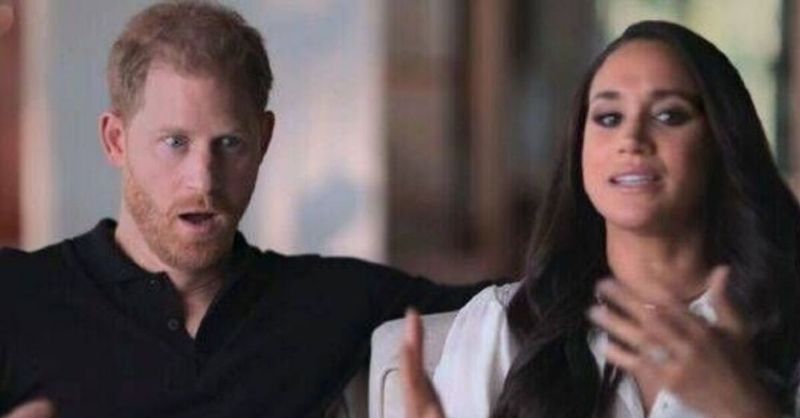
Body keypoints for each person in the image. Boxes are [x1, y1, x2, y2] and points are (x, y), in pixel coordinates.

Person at [0, 2, 493, 417]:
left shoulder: (325, 303)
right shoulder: (17, 298)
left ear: (264, 140)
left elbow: (523, 306)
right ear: (116, 140)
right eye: (175, 142)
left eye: (230, 143)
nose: (203, 180)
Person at [401, 21, 800, 418]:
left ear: (722, 143)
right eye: (609, 118)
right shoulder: (506, 325)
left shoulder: (785, 323)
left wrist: (746, 407)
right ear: (579, 148)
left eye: (668, 115)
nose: (632, 139)